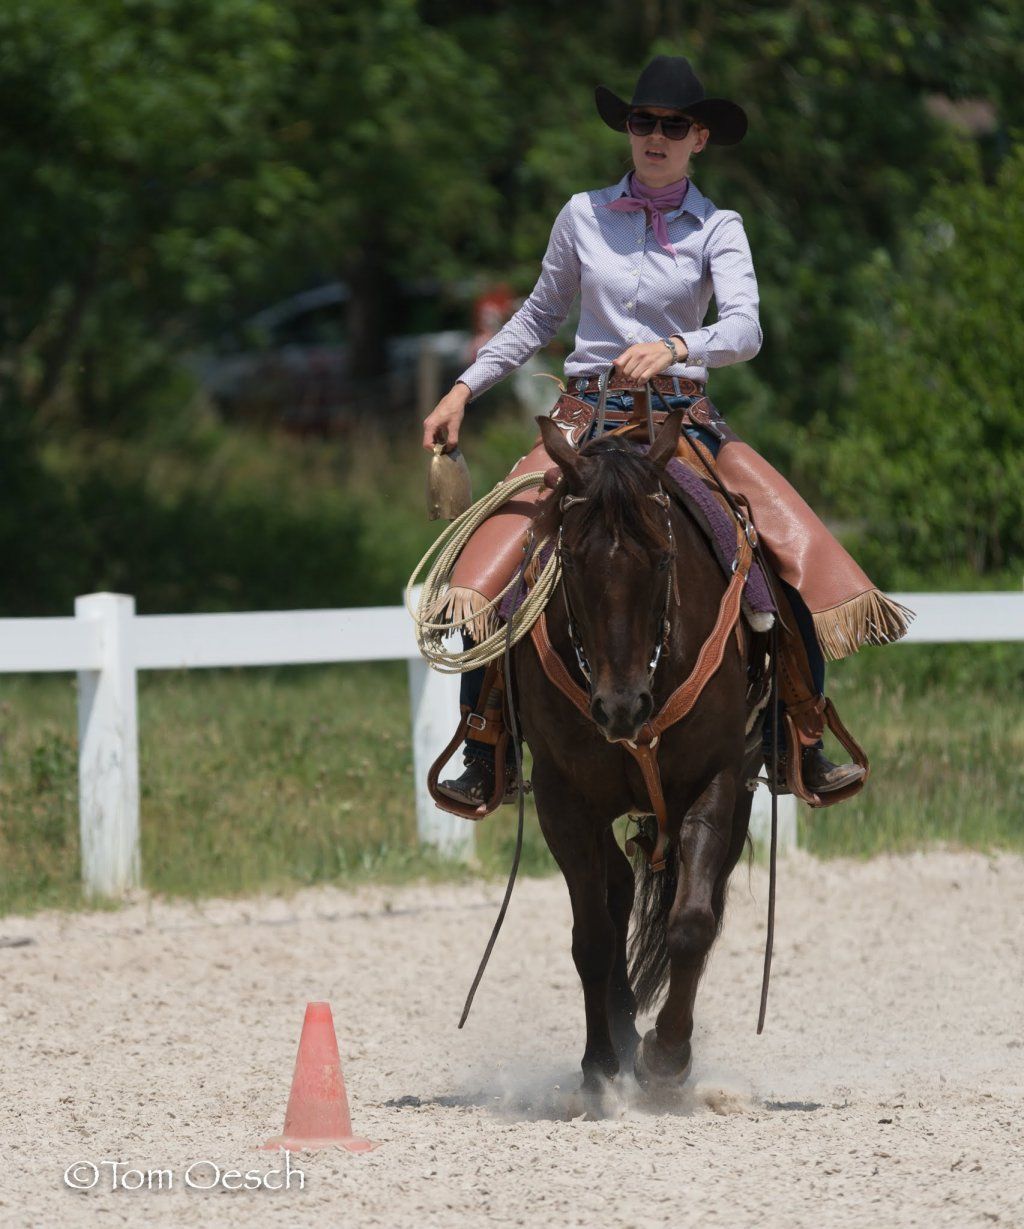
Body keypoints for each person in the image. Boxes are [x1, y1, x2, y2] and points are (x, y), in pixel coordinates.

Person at [421, 55, 908, 808]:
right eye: (642, 122)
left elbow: (744, 327)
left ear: (699, 138)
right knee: (490, 572)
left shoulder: (720, 227)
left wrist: (681, 347)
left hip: (682, 421)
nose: (654, 136)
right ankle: (485, 742)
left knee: (778, 567)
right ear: (628, 129)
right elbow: (538, 317)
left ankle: (799, 737)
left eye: (671, 126)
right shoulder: (581, 214)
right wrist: (463, 388)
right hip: (585, 419)